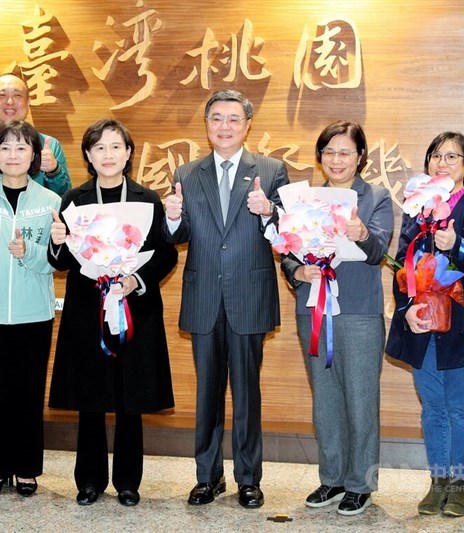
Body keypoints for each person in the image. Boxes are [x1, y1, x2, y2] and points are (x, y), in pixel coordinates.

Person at [163, 89, 288, 509]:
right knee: (207, 392)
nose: (225, 126)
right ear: (207, 124)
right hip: (203, 297)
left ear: (247, 124)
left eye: (234, 119)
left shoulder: (270, 171)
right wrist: (174, 217)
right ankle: (208, 477)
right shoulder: (186, 173)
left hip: (249, 296)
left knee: (248, 393)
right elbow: (176, 238)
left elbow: (288, 237)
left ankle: (249, 479)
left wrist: (269, 211)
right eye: (217, 118)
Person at [47, 119, 177, 507]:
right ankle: (88, 481)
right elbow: (61, 261)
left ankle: (128, 482)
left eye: (116, 146)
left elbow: (166, 252)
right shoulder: (74, 199)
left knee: (129, 398)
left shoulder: (146, 199)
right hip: (88, 311)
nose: (108, 154)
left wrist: (135, 280)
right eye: (99, 147)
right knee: (91, 397)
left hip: (134, 309)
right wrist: (56, 243)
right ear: (88, 155)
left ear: (128, 153)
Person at [0, 73, 71, 463]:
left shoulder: (49, 199)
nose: (14, 155)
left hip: (33, 312)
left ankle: (27, 469)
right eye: (6, 148)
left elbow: (54, 263)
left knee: (28, 391)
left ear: (34, 156)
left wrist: (29, 252)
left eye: (22, 149)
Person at [281, 121, 393, 516]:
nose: (337, 159)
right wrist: (298, 271)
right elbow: (288, 248)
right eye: (329, 152)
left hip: (358, 309)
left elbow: (379, 249)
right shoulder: (305, 197)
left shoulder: (375, 196)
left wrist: (361, 232)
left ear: (360, 157)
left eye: (345, 152)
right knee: (325, 397)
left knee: (361, 398)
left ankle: (360, 483)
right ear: (320, 157)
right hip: (313, 306)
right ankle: (332, 477)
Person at [385, 132, 464, 517]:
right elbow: (402, 263)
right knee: (432, 406)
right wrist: (407, 310)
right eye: (436, 155)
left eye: (453, 157)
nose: (443, 163)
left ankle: (463, 484)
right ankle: (439, 482)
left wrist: (456, 245)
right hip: (424, 323)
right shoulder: (417, 207)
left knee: (461, 405)